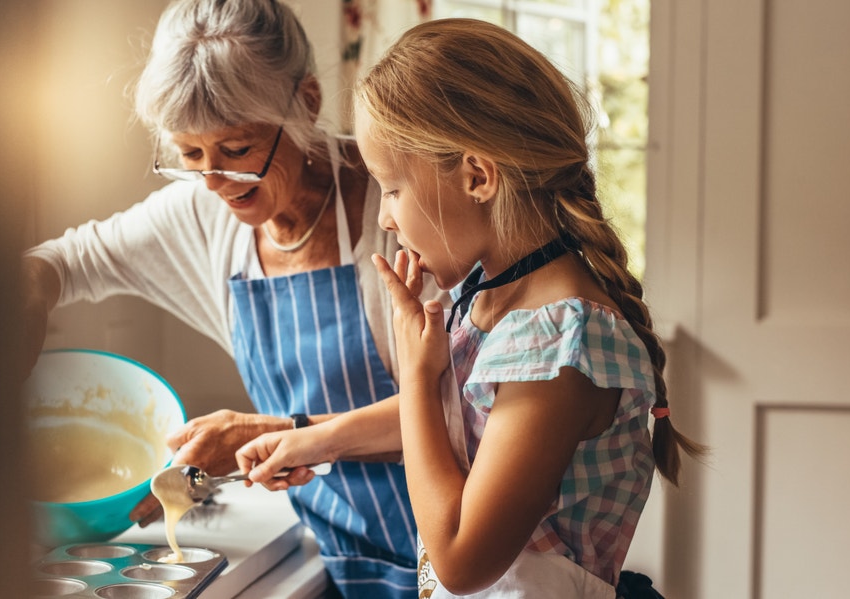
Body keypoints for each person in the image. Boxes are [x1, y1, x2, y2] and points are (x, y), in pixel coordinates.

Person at [237, 18, 705, 598]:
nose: (385, 218)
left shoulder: (561, 343)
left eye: (392, 189)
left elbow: (459, 559)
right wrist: (312, 439)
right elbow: (462, 415)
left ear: (478, 176)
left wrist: (415, 373)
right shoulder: (492, 296)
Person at [20, 1, 443, 596]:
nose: (215, 183)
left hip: (452, 555)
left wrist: (271, 432)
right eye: (189, 156)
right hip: (341, 559)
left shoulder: (396, 207)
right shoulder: (201, 211)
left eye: (237, 150)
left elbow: (461, 409)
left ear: (308, 103)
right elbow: (65, 262)